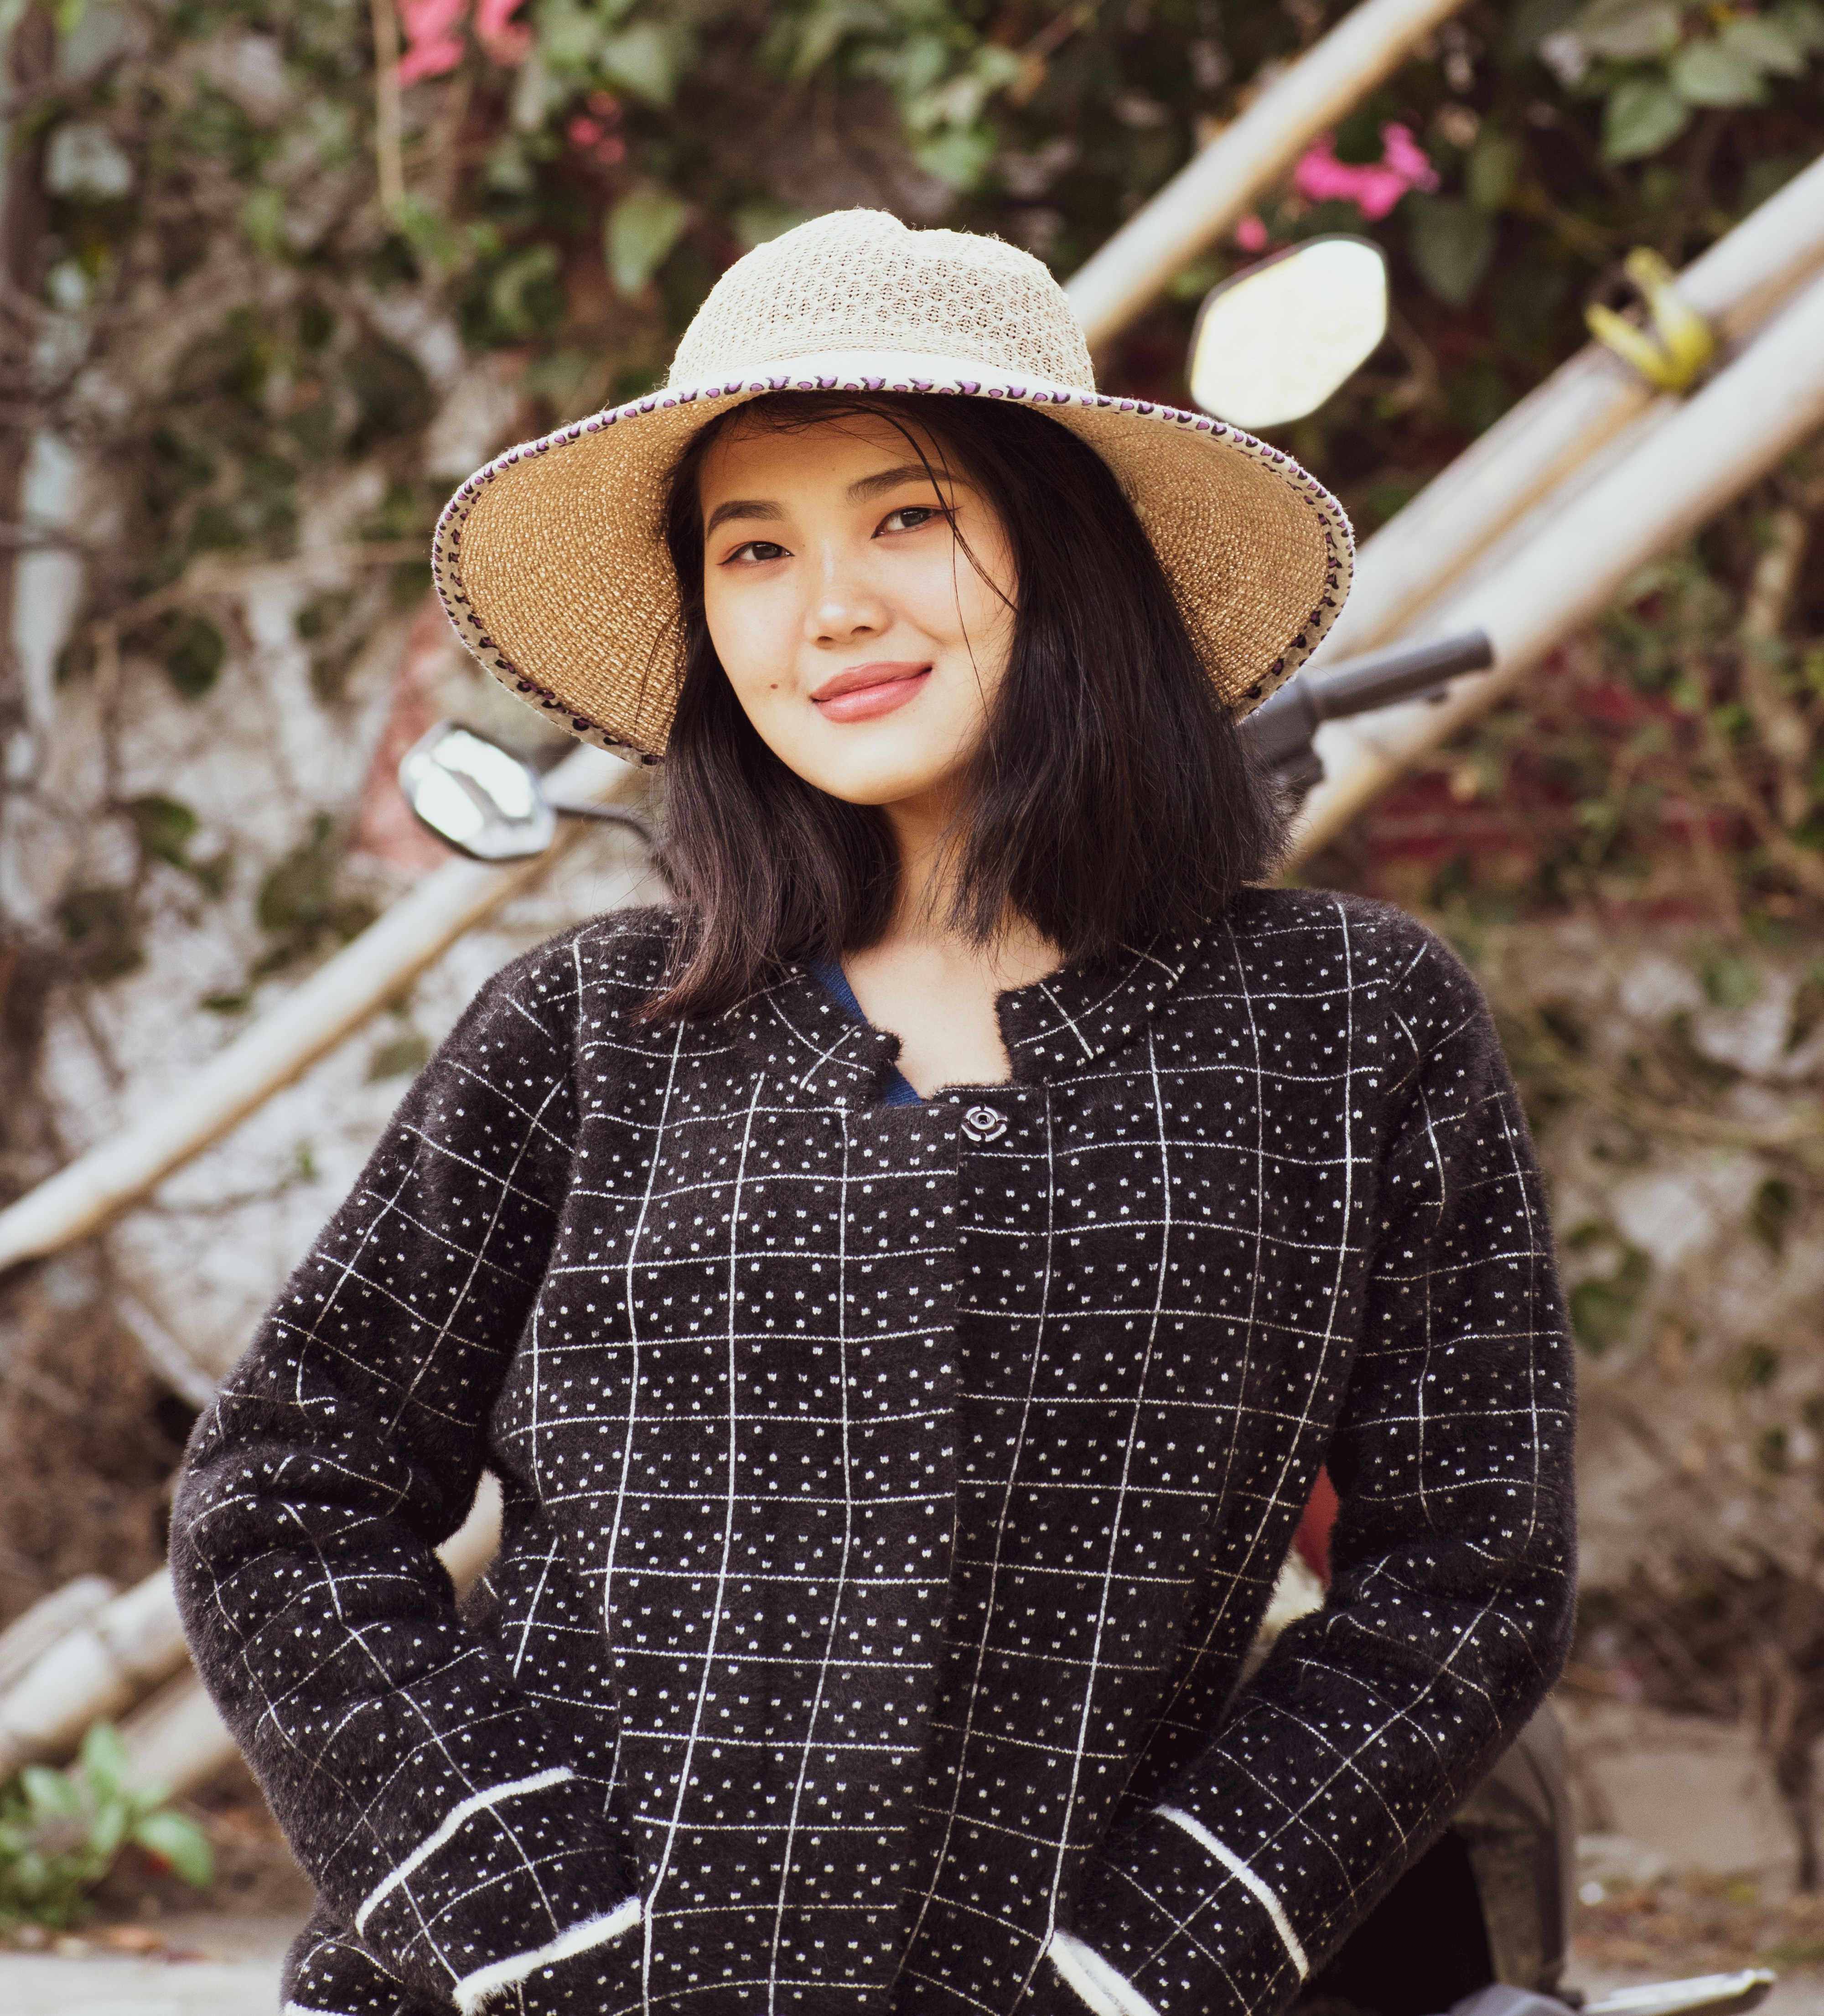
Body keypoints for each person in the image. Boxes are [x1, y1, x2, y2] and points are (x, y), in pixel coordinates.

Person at [173, 210, 1575, 2016]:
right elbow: (282, 1500)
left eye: (905, 517)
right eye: (754, 547)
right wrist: (543, 1942)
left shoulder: (1348, 1026)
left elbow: (1467, 1573)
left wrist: (1132, 1971)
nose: (828, 605)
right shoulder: (591, 1029)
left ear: (1065, 551)